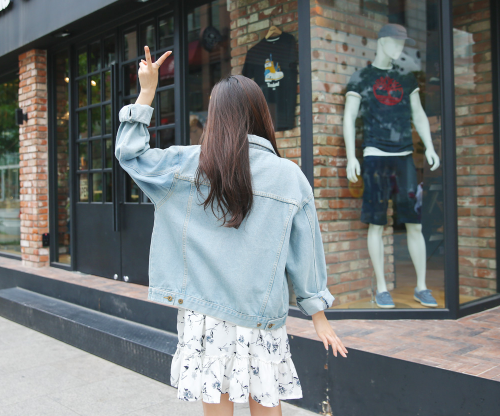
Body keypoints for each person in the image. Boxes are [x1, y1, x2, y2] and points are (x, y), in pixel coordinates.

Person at [115, 45, 348, 416]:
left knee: (218, 407)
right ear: (261, 115)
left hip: (205, 316)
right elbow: (307, 253)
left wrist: (146, 92)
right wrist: (318, 316)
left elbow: (132, 156)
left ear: (216, 116)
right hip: (259, 314)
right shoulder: (290, 178)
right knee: (266, 403)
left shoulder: (188, 165)